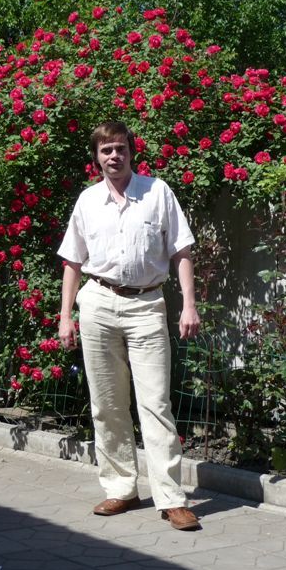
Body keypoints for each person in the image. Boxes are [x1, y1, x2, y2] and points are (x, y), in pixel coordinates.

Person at [57, 121, 202, 531]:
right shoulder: (88, 201)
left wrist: (189, 305)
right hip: (98, 302)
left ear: (131, 152)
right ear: (96, 157)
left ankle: (171, 499)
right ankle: (121, 488)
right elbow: (72, 261)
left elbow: (182, 250)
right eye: (106, 150)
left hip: (147, 305)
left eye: (120, 148)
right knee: (107, 403)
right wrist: (65, 316)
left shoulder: (158, 192)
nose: (114, 156)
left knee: (155, 403)